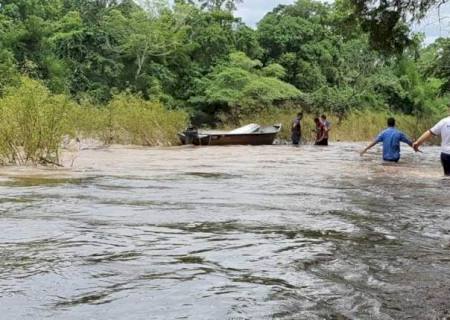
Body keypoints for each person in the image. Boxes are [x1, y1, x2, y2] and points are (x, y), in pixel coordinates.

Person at [412, 105, 450, 176]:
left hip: (446, 155)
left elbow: (430, 132)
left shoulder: (444, 121)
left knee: (447, 178)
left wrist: (417, 143)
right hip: (446, 154)